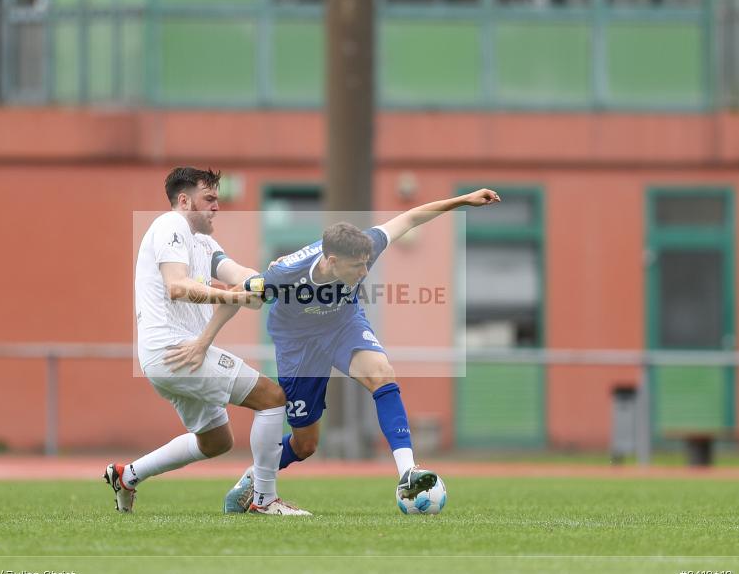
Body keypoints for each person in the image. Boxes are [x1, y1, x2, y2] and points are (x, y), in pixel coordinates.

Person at [164, 187, 500, 512]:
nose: (365, 271)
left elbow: (411, 218)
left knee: (381, 374)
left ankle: (407, 472)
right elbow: (238, 295)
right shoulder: (285, 273)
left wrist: (464, 200)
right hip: (297, 344)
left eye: (367, 263)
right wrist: (203, 342)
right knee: (305, 444)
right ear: (333, 261)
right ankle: (255, 476)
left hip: (343, 326)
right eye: (357, 266)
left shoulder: (364, 244)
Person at [104, 166, 310, 516]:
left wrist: (264, 280)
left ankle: (127, 476)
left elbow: (237, 274)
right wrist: (234, 298)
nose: (217, 206)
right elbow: (177, 285)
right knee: (273, 399)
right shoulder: (170, 226)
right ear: (184, 201)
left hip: (173, 355)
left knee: (216, 442)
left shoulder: (203, 242)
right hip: (174, 350)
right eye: (209, 199)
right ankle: (264, 500)